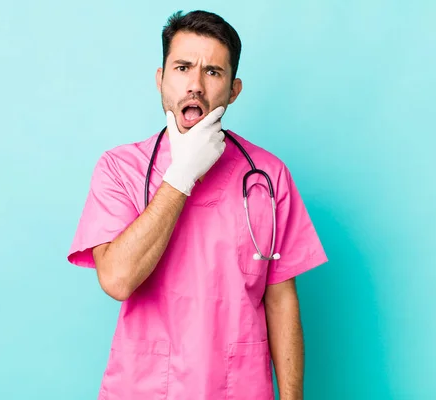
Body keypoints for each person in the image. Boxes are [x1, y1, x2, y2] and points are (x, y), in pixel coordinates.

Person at [67, 9, 328, 400]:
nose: (195, 86)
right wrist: (181, 175)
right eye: (183, 67)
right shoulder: (119, 169)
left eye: (213, 72)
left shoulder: (268, 176)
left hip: (238, 387)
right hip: (144, 387)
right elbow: (118, 280)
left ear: (233, 90)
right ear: (160, 79)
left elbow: (281, 299)